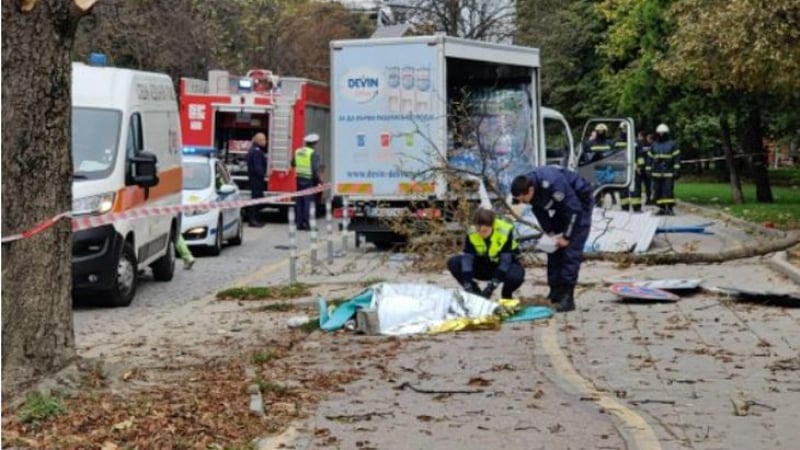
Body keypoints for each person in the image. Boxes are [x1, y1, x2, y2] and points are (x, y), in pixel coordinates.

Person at [510, 167, 594, 312]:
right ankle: (555, 292)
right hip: (563, 208)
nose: (523, 203)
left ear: (530, 191)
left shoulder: (554, 184)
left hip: (579, 205)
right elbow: (539, 210)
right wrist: (550, 232)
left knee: (570, 252)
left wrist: (567, 237)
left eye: (523, 199)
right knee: (552, 248)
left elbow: (574, 210)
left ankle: (567, 297)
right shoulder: (527, 186)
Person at [447, 208, 525, 300]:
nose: (481, 234)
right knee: (454, 262)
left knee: (515, 276)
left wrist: (491, 287)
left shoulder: (504, 231)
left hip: (502, 267)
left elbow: (505, 262)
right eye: (478, 230)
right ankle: (475, 293)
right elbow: (467, 260)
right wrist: (467, 283)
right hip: (484, 266)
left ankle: (506, 295)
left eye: (484, 231)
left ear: (492, 225)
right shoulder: (472, 232)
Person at [646, 124, 680, 215]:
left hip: (668, 173)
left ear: (666, 133)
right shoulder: (654, 145)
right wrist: (648, 170)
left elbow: (677, 159)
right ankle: (661, 208)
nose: (661, 135)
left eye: (663, 133)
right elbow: (649, 158)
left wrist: (676, 170)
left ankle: (669, 208)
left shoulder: (672, 144)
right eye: (659, 133)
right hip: (656, 173)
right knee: (657, 191)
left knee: (668, 191)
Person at [580, 123, 618, 206]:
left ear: (605, 132)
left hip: (606, 168)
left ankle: (611, 198)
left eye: (602, 131)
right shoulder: (589, 143)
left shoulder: (610, 143)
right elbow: (585, 156)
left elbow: (614, 155)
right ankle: (597, 202)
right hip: (594, 169)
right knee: (595, 187)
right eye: (599, 131)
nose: (601, 132)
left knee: (607, 185)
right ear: (596, 131)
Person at [291, 133, 322, 231]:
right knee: (308, 202)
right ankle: (308, 224)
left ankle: (299, 223)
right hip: (309, 180)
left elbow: (293, 163)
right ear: (315, 143)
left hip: (299, 179)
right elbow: (314, 169)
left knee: (299, 202)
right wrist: (319, 181)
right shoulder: (313, 153)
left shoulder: (298, 151)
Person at [620, 128, 647, 213]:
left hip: (634, 168)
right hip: (622, 169)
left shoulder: (636, 142)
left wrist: (640, 166)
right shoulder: (617, 142)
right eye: (623, 129)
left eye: (626, 129)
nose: (625, 131)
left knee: (636, 188)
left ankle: (637, 207)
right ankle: (624, 207)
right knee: (623, 189)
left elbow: (640, 155)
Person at [246, 132, 268, 227]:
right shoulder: (256, 152)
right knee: (255, 200)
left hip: (254, 178)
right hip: (256, 179)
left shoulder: (254, 150)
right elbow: (258, 167)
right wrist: (262, 176)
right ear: (258, 140)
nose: (265, 141)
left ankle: (255, 219)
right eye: (264, 139)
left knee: (257, 199)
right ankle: (253, 220)